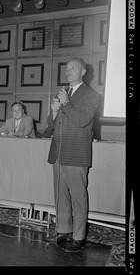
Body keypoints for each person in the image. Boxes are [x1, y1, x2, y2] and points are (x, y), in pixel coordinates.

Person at [45, 58, 99, 253]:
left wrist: (66, 104)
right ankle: (63, 231)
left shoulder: (91, 95)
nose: (68, 71)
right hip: (58, 152)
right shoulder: (63, 93)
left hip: (76, 154)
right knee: (60, 196)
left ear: (83, 72)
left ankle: (78, 237)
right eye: (67, 68)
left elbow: (83, 120)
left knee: (78, 197)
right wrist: (53, 112)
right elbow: (51, 126)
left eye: (73, 68)